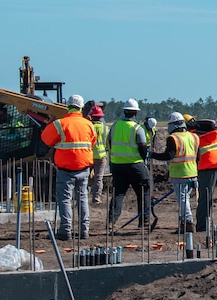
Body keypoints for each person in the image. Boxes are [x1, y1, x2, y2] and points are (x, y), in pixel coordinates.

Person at [39, 95, 99, 240]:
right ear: (80, 107)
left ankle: (66, 230)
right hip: (83, 167)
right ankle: (84, 230)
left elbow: (45, 139)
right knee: (82, 198)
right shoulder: (88, 124)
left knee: (65, 199)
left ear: (68, 106)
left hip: (65, 168)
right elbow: (92, 142)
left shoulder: (60, 124)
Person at [105, 99, 153, 229]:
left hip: (117, 165)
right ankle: (144, 221)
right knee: (144, 191)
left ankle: (111, 221)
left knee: (118, 194)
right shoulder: (137, 128)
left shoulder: (115, 126)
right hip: (135, 165)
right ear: (135, 113)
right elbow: (142, 147)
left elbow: (108, 142)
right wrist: (143, 160)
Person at [150, 112, 199, 234]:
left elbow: (168, 155)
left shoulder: (173, 138)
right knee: (185, 199)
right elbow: (198, 156)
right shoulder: (194, 137)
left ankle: (188, 222)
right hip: (192, 172)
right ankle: (183, 223)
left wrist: (152, 155)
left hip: (180, 173)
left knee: (183, 200)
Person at [86, 101, 107, 206]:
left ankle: (83, 197)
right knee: (99, 178)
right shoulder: (104, 128)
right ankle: (96, 198)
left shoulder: (88, 127)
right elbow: (106, 142)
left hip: (89, 155)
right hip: (101, 155)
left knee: (85, 177)